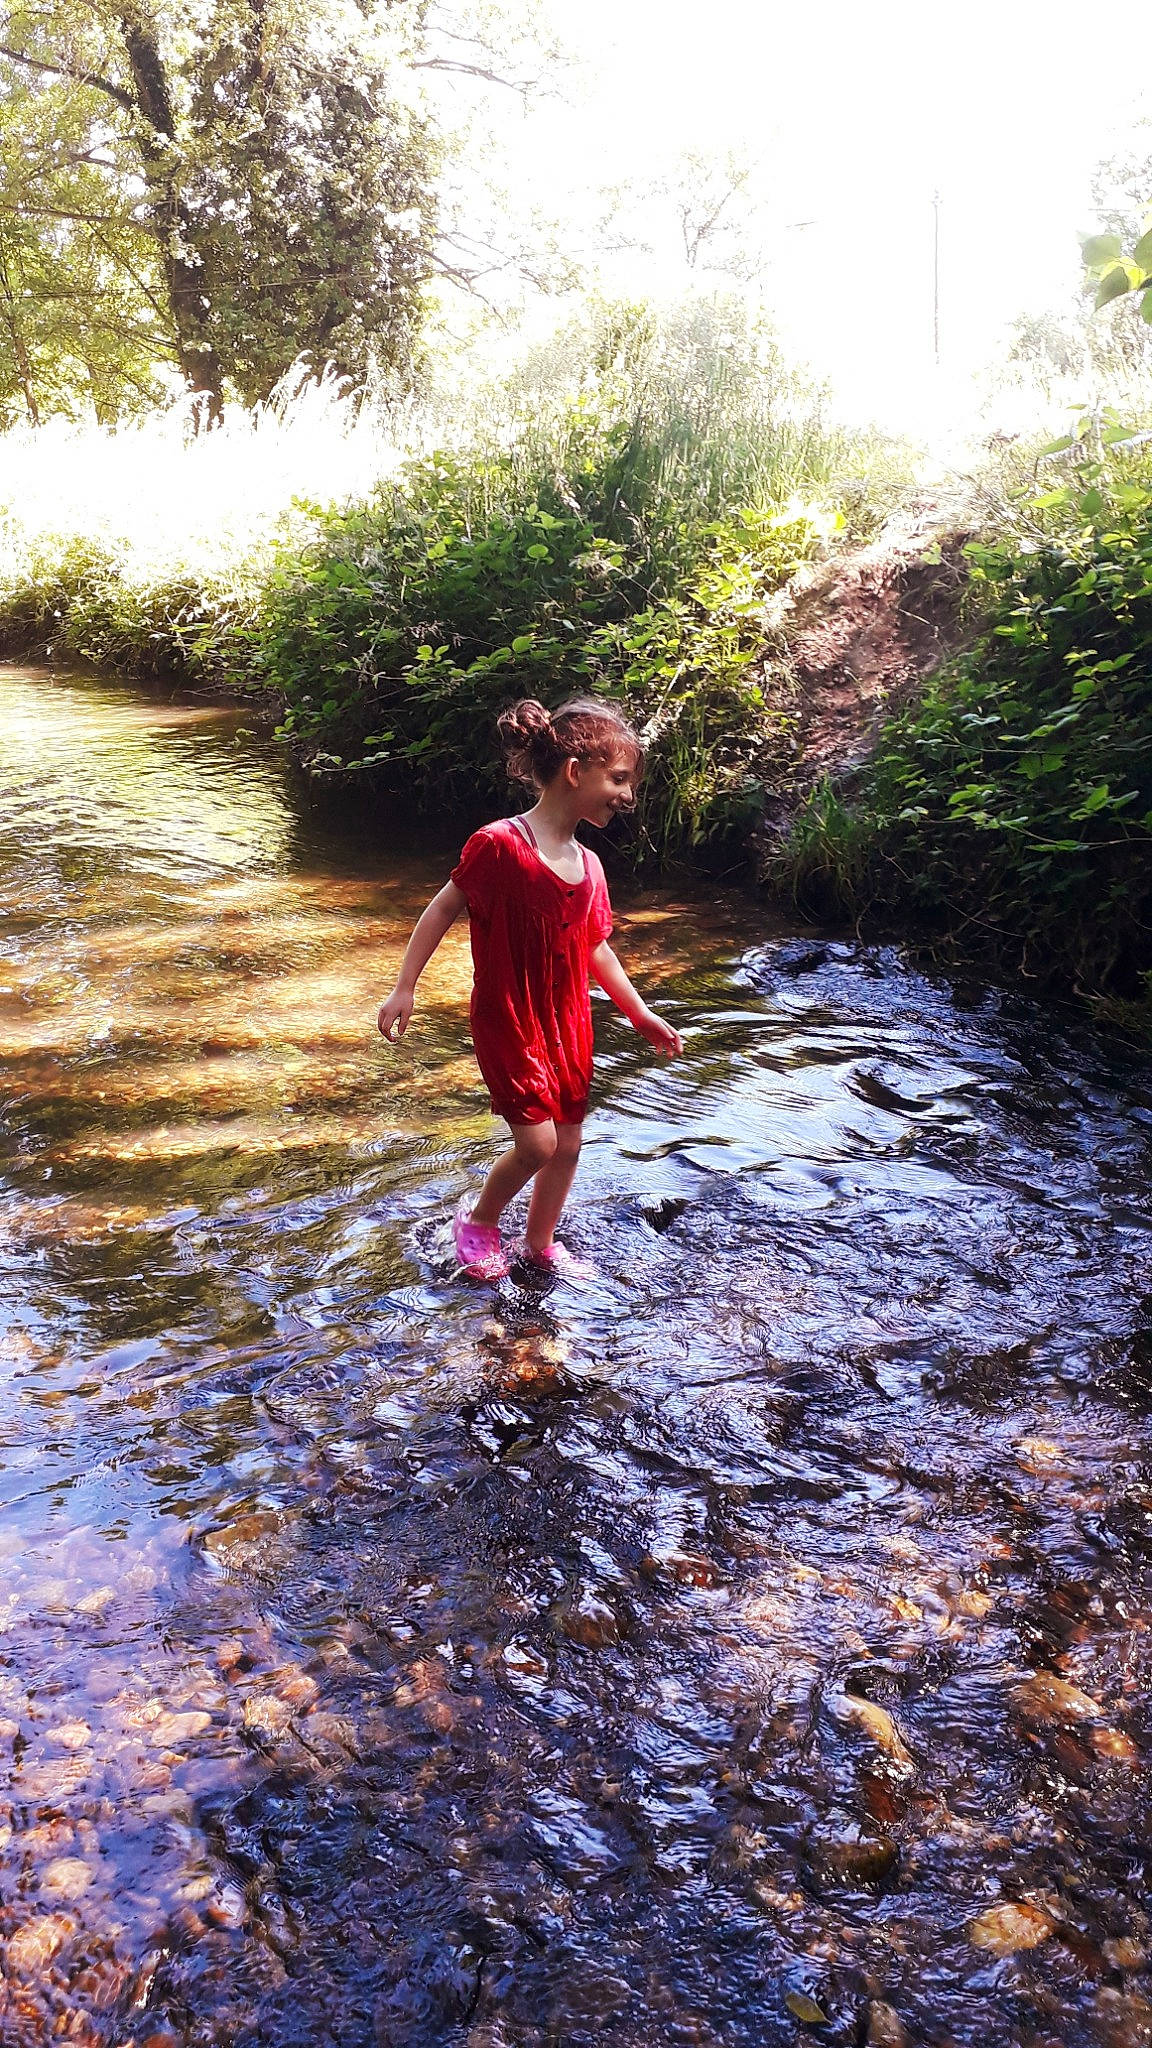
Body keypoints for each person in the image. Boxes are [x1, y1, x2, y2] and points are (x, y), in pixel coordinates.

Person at [376, 696, 683, 1280]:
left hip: (568, 1019)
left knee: (568, 1143)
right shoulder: (499, 845)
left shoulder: (590, 866)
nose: (627, 794)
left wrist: (638, 1012)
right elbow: (443, 908)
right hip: (510, 1016)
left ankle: (539, 1242)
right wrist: (404, 988)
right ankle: (480, 1222)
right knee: (538, 1145)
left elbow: (594, 947)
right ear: (575, 771)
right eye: (618, 778)